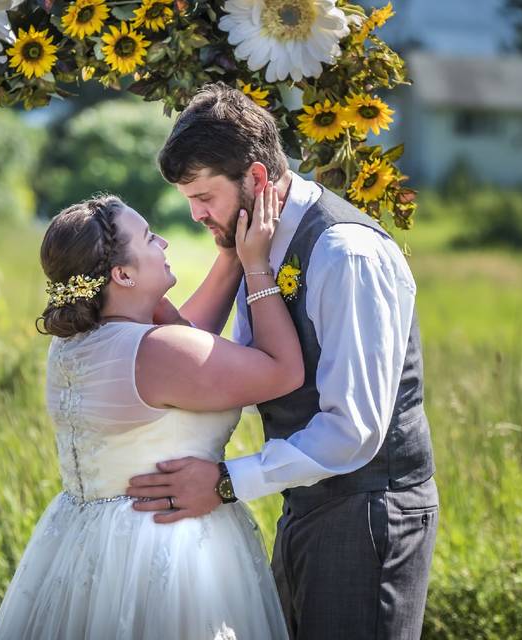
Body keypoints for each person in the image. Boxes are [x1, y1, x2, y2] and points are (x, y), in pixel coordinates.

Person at [126, 82, 439, 639]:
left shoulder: (346, 254)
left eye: (203, 196)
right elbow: (237, 363)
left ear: (257, 178)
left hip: (370, 512)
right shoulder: (256, 245)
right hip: (306, 502)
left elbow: (353, 431)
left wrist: (225, 482)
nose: (195, 215)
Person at [0, 184, 300, 639]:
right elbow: (282, 372)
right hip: (169, 548)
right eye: (150, 237)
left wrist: (229, 255)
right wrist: (255, 266)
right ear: (123, 275)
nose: (165, 243)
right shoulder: (158, 352)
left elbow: (191, 347)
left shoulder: (76, 344)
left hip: (87, 544)